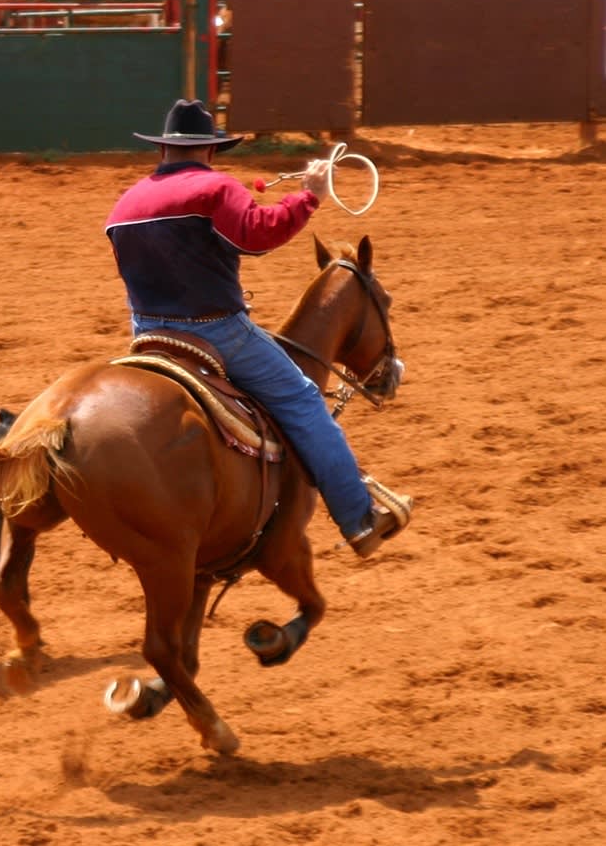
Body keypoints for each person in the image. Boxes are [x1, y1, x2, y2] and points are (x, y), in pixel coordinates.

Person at [103, 100, 410, 557]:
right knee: (303, 400)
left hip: (146, 333)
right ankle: (359, 517)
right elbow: (257, 234)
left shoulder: (125, 202)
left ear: (164, 149)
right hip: (216, 332)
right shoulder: (214, 188)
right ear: (210, 151)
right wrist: (309, 195)